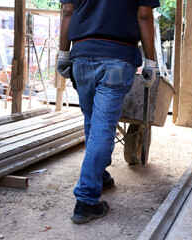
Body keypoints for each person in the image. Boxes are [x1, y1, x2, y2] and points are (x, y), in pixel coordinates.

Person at [57, 0, 160, 224]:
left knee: (93, 121)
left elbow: (67, 11)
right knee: (102, 126)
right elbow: (144, 16)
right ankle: (86, 201)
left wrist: (63, 53)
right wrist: (150, 60)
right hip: (118, 56)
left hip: (82, 55)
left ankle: (99, 176)